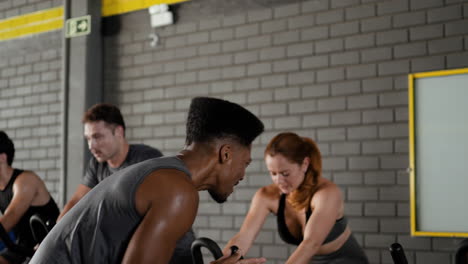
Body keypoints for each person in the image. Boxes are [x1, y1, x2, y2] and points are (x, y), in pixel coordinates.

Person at [30, 97, 267, 264]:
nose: (243, 175)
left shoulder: (158, 171)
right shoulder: (177, 190)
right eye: (245, 163)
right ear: (225, 154)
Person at [57, 103, 194, 263]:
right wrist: (56, 237)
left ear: (119, 132)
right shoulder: (97, 164)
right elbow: (76, 201)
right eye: (88, 139)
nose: (91, 146)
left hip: (169, 252)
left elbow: (135, 219)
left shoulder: (145, 160)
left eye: (97, 137)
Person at [223, 132, 369, 264]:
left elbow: (310, 244)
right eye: (273, 173)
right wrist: (227, 256)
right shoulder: (267, 195)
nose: (279, 181)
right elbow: (244, 236)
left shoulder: (326, 193)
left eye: (285, 173)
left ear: (305, 164)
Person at [0, 131, 60, 264]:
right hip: (21, 247)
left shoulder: (26, 181)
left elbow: (10, 218)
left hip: (46, 248)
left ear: (2, 158)